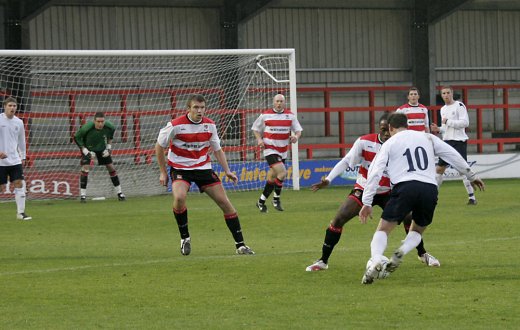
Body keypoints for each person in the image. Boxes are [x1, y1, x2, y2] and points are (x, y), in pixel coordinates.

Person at [359, 113, 485, 284]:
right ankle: (402, 250)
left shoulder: (389, 143)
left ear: (390, 128)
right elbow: (452, 154)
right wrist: (471, 175)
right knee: (417, 230)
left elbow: (375, 172)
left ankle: (375, 259)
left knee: (383, 230)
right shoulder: (427, 137)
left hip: (405, 187)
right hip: (429, 188)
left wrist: (367, 202)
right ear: (408, 125)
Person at [305, 113, 439, 272]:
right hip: (363, 189)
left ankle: (422, 254)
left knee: (409, 218)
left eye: (388, 130)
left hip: (388, 191)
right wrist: (329, 179)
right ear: (381, 128)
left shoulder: (399, 144)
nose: (386, 133)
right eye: (383, 129)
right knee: (339, 218)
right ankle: (323, 261)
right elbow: (347, 161)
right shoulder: (364, 142)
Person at [155, 94, 254, 256]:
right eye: (196, 107)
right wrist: (162, 172)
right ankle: (185, 238)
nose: (199, 111)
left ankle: (241, 245)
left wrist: (227, 170)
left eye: (202, 108)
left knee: (225, 202)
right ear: (188, 109)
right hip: (180, 168)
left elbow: (217, 149)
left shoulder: (210, 125)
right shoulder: (175, 125)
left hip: (203, 169)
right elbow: (159, 147)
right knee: (179, 198)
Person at [395, 87, 440, 266]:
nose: (413, 96)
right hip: (408, 146)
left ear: (418, 96)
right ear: (408, 97)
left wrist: (429, 138)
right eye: (411, 94)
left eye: (416, 94)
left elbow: (427, 126)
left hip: (421, 143)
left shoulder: (423, 109)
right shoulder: (402, 110)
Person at [252, 94, 302, 212]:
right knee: (283, 172)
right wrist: (259, 139)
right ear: (273, 102)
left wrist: (296, 137)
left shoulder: (290, 116)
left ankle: (261, 202)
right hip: (270, 149)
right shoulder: (265, 115)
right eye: (277, 101)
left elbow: (298, 130)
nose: (279, 103)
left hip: (282, 151)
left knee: (272, 177)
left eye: (281, 101)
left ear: (284, 103)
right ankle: (276, 199)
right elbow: (255, 128)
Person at [430, 86, 477, 205]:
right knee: (439, 169)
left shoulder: (459, 106)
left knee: (463, 169)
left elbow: (465, 123)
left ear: (452, 94)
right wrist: (438, 129)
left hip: (459, 141)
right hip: (447, 142)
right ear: (441, 95)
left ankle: (472, 198)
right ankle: (433, 196)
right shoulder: (443, 109)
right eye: (444, 93)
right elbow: (446, 128)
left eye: (448, 93)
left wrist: (448, 122)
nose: (446, 95)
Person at [74, 112, 125, 203]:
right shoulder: (86, 128)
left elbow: (110, 137)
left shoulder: (110, 127)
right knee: (85, 168)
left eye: (102, 121)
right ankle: (83, 196)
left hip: (102, 148)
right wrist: (85, 150)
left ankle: (120, 193)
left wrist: (109, 148)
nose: (100, 124)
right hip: (89, 149)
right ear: (94, 121)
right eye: (98, 122)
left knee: (111, 167)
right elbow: (77, 137)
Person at [0, 97, 32, 220]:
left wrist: (23, 156)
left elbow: (21, 141)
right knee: (1, 187)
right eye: (10, 106)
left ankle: (21, 213)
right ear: (5, 106)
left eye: (14, 106)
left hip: (15, 160)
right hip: (1, 161)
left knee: (19, 184)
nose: (12, 108)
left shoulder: (19, 122)